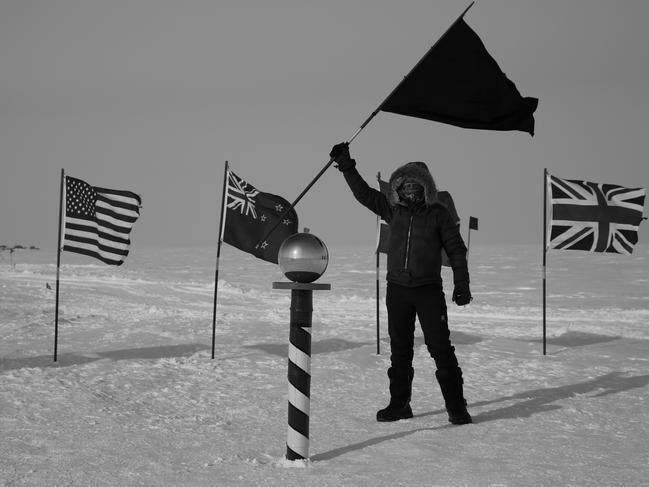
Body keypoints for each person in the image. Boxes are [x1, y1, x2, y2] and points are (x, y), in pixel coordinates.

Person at [329, 142, 473, 425]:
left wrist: (462, 283)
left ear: (426, 188)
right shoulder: (391, 210)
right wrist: (347, 165)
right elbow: (363, 194)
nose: (410, 190)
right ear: (397, 187)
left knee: (441, 349)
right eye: (405, 185)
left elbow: (456, 249)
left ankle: (457, 408)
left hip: (428, 290)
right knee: (400, 350)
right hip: (397, 290)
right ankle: (399, 405)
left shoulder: (438, 214)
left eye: (415, 186)